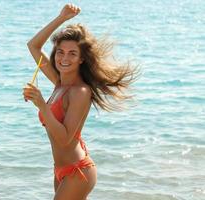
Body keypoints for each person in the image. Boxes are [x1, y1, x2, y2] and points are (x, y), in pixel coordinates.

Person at [23, 3, 138, 200]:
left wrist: (42, 105)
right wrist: (61, 18)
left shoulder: (80, 92)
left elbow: (65, 138)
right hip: (60, 169)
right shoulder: (59, 83)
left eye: (72, 53)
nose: (64, 58)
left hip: (78, 171)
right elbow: (33, 46)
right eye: (60, 52)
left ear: (81, 59)